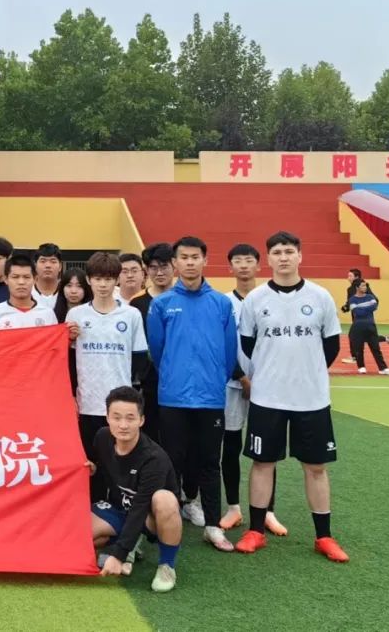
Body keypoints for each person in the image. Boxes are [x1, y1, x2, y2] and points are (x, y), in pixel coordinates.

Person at [235, 231, 349, 563]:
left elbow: (331, 346)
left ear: (300, 256)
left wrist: (305, 373)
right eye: (277, 252)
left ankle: (324, 536)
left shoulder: (321, 297)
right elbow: (248, 345)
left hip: (311, 399)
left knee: (316, 466)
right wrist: (274, 371)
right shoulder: (256, 300)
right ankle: (256, 531)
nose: (283, 257)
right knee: (262, 463)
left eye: (289, 251)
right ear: (268, 259)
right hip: (267, 397)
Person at [147, 236, 237, 553]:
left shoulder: (222, 304)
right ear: (175, 263)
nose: (189, 262)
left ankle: (213, 526)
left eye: (195, 257)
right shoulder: (161, 304)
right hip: (173, 398)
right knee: (173, 460)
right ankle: (169, 522)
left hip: (210, 398)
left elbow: (229, 352)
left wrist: (213, 380)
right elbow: (157, 351)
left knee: (210, 461)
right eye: (183, 257)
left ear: (204, 260)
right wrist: (175, 376)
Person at [68, 253, 148, 502]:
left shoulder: (131, 315)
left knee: (118, 462)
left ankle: (117, 508)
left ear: (117, 280)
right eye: (98, 279)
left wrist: (129, 391)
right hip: (87, 403)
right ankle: (91, 508)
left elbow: (139, 358)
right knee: (89, 462)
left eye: (108, 279)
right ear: (89, 280)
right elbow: (67, 360)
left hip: (118, 407)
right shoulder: (76, 316)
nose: (103, 285)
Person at [220, 244, 288, 535]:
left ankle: (268, 511)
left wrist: (263, 379)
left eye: (249, 260)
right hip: (232, 384)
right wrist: (241, 377)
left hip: (267, 386)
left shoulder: (271, 299)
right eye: (238, 261)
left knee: (267, 450)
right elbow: (222, 345)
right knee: (231, 446)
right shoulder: (223, 302)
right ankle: (233, 507)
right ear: (230, 267)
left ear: (260, 265)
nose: (244, 265)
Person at [89, 386, 182, 594]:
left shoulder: (154, 458)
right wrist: (93, 468)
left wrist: (118, 555)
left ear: (141, 420)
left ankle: (167, 565)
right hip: (119, 509)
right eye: (116, 417)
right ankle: (128, 543)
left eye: (130, 418)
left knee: (164, 499)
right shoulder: (102, 437)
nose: (123, 425)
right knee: (81, 537)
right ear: (107, 417)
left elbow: (140, 507)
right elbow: (102, 466)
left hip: (150, 517)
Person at [127, 242, 174, 444]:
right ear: (146, 270)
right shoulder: (136, 303)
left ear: (174, 266)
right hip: (149, 381)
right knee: (150, 434)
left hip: (178, 379)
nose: (159, 272)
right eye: (153, 267)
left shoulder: (183, 298)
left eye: (164, 266)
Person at [0, 253, 58, 330]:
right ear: (6, 279)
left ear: (35, 279)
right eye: (15, 277)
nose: (21, 282)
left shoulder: (48, 314)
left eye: (26, 277)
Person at [54, 267, 92, 396]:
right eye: (69, 285)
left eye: (79, 286)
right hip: (62, 369)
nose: (74, 291)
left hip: (87, 367)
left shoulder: (93, 314)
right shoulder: (53, 315)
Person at [346, 281, 389, 375]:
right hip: (358, 327)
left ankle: (383, 368)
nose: (365, 287)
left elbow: (374, 306)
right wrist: (367, 308)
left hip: (370, 326)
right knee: (359, 348)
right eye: (363, 286)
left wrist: (361, 308)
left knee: (376, 348)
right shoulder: (352, 299)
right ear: (357, 287)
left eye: (365, 285)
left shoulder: (370, 297)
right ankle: (361, 367)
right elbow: (357, 312)